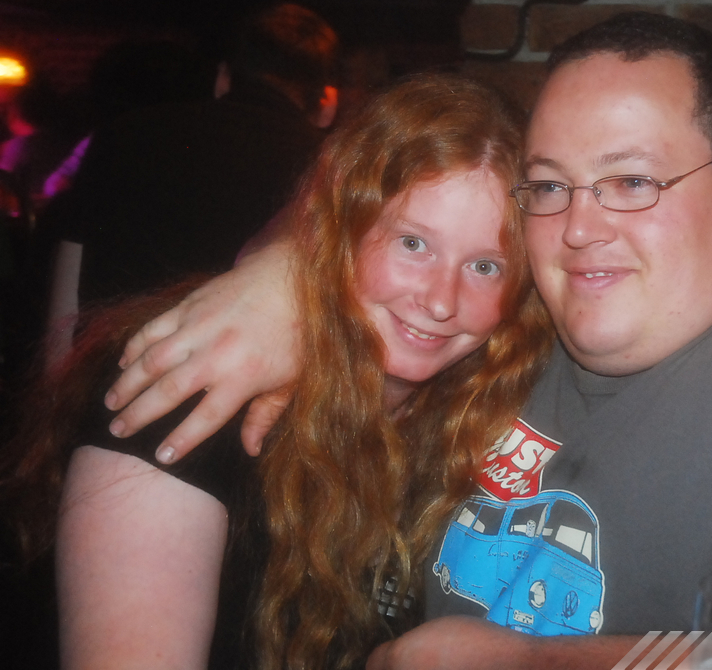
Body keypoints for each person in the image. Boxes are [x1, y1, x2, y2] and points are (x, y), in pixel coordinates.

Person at [100, 13, 712, 666]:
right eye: (551, 187)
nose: (579, 228)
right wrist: (286, 279)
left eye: (631, 181)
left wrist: (534, 662)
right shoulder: (516, 347)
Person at [0, 74, 552, 669]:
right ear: (342, 230)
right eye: (413, 244)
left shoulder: (477, 410)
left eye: (486, 266)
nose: (441, 301)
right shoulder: (192, 394)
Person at [46, 2, 341, 361]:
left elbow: (68, 287)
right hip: (246, 389)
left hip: (113, 377)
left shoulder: (123, 135)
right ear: (325, 103)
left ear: (223, 78)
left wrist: (60, 388)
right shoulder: (329, 167)